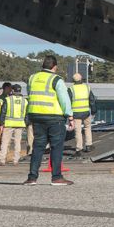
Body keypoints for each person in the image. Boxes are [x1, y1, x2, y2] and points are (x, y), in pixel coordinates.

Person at [25, 56, 73, 185]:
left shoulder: (32, 78)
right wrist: (70, 116)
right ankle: (56, 177)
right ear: (55, 67)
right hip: (54, 117)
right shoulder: (56, 79)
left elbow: (30, 93)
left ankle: (32, 177)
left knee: (38, 147)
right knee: (56, 147)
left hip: (36, 116)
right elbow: (64, 99)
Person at [0, 84, 27, 166]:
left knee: (5, 142)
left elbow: (3, 112)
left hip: (9, 124)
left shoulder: (8, 100)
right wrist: (26, 123)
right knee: (17, 143)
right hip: (20, 124)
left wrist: (1, 123)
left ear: (13, 90)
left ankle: (2, 160)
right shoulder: (25, 101)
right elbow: (27, 114)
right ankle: (16, 160)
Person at [70, 72, 97, 155]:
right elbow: (92, 100)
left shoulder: (71, 89)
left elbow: (68, 102)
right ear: (81, 79)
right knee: (87, 127)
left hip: (76, 113)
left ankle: (78, 149)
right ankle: (88, 145)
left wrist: (68, 115)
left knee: (77, 131)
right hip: (86, 112)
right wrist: (93, 110)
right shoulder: (87, 87)